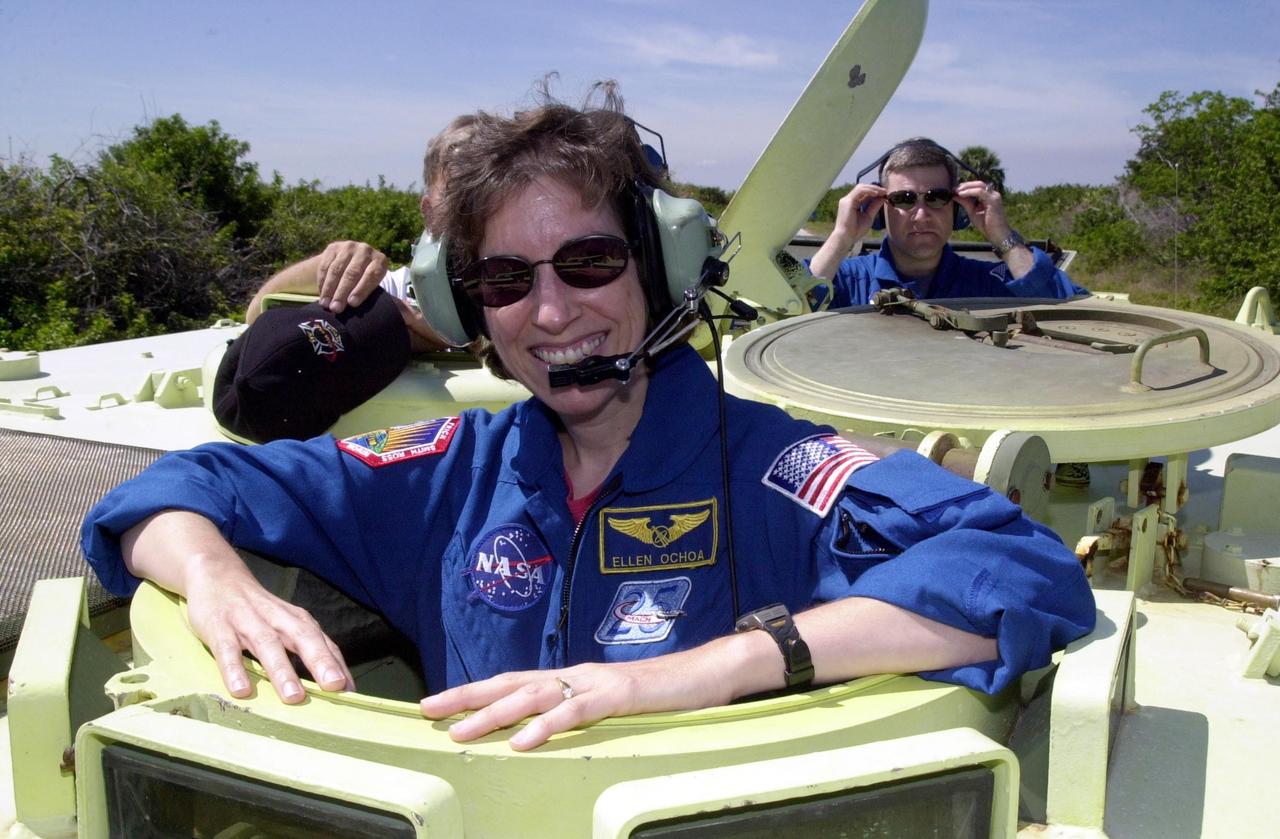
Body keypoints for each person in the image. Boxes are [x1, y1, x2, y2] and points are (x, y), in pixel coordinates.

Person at [81, 92, 1095, 752]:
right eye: (505, 280)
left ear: (658, 267)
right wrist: (211, 575)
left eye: (590, 262)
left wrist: (698, 671)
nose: (552, 312)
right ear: (467, 307)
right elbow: (173, 491)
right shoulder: (450, 468)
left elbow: (1022, 572)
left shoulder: (772, 464)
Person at [242, 115, 480, 353]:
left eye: (485, 195)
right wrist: (333, 264)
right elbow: (258, 316)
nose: (472, 212)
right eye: (455, 196)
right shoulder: (395, 290)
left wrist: (415, 323)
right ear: (428, 212)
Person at [809, 138, 1088, 307]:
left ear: (957, 208)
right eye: (904, 199)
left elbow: (1069, 303)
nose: (921, 214)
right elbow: (788, 293)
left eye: (937, 198)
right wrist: (840, 237)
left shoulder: (988, 283)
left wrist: (1002, 235)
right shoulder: (846, 279)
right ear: (880, 208)